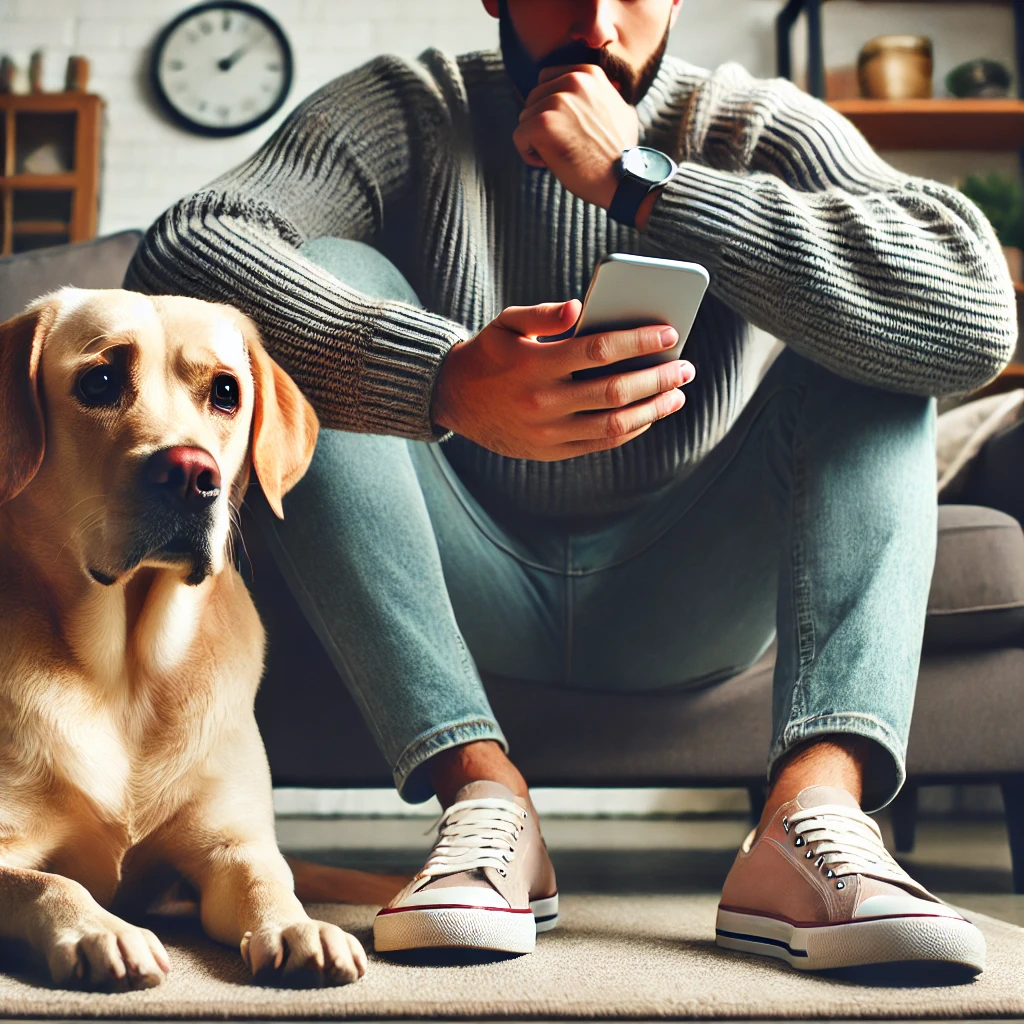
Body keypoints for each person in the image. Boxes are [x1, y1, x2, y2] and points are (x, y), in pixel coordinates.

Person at [126, 0, 1017, 973]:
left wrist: (644, 183)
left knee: (884, 338)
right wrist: (441, 377)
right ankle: (484, 800)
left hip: (691, 596)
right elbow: (179, 252)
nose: (595, 15)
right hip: (461, 588)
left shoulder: (757, 126)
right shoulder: (405, 109)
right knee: (326, 277)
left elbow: (970, 312)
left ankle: (811, 818)